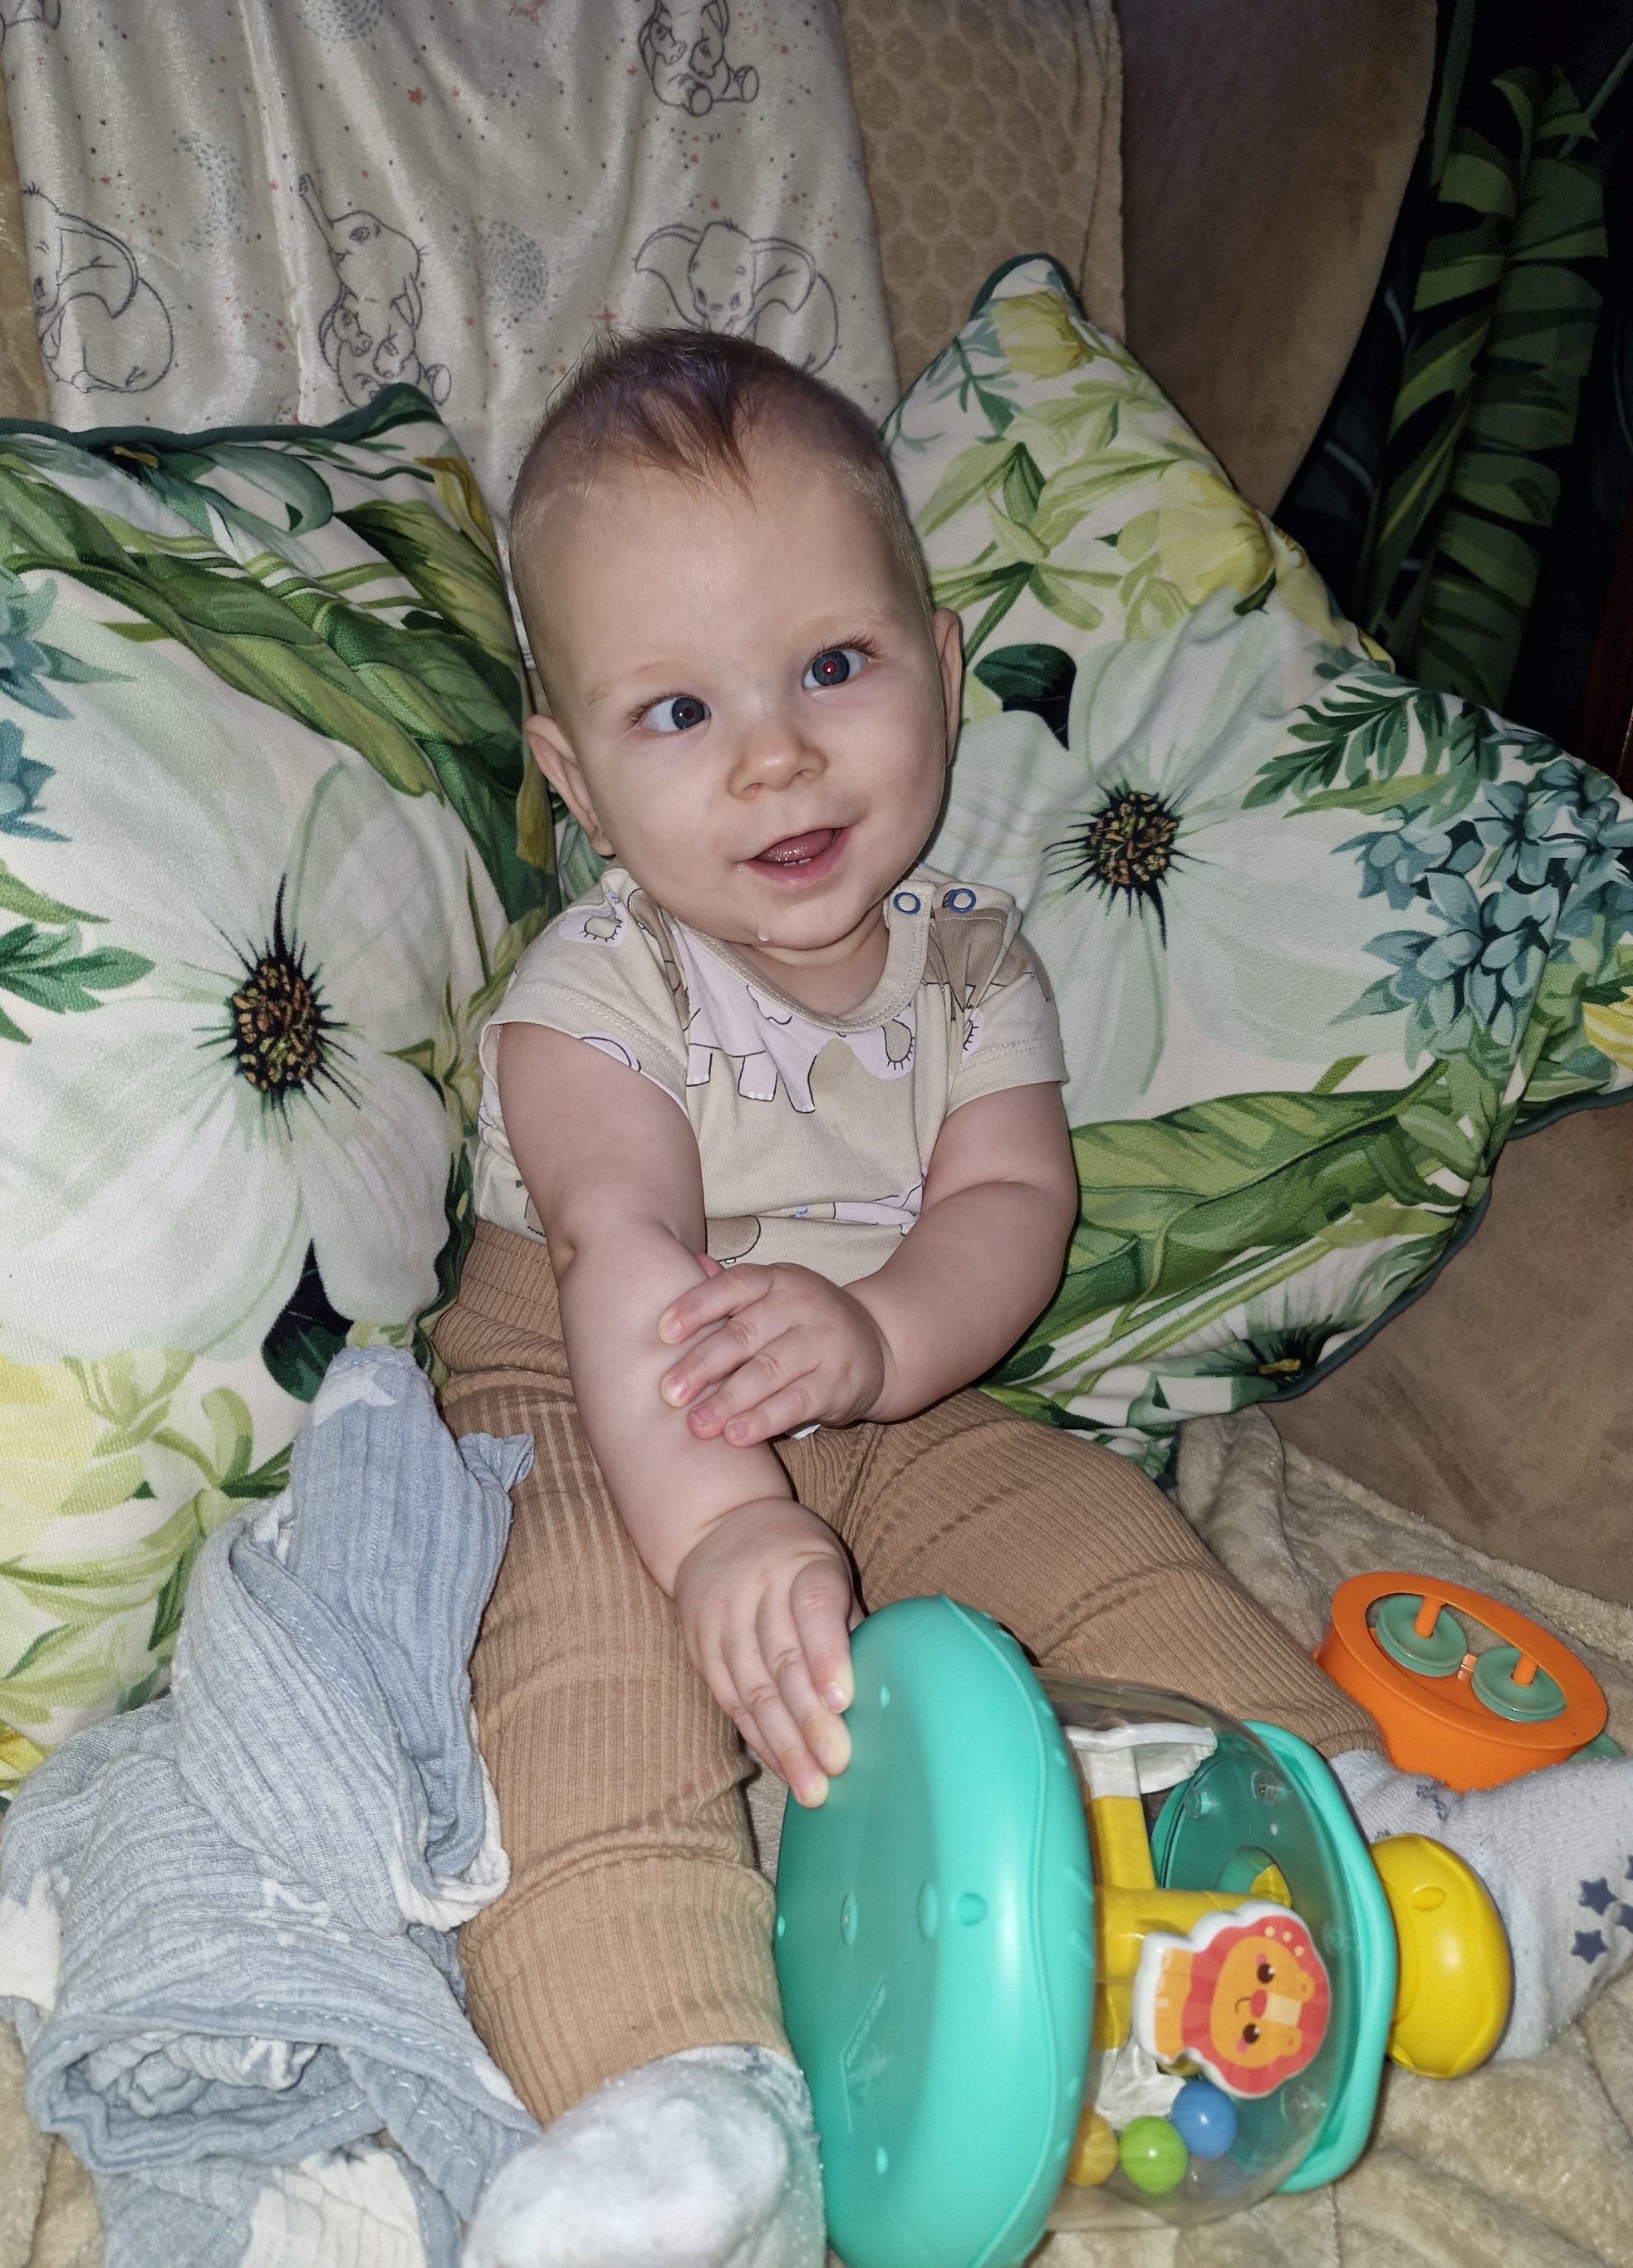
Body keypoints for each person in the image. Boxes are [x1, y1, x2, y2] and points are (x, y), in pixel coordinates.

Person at [434, 329, 1633, 2268]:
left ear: (937, 658)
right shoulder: (596, 985)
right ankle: (678, 2101)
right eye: (676, 710)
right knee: (575, 1682)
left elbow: (1009, 1205)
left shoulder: (973, 962)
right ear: (573, 772)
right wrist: (725, 1526)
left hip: (884, 1382)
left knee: (1098, 1540)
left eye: (833, 667)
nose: (774, 754)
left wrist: (879, 1344)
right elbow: (619, 1248)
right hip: (589, 1401)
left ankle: (1394, 1850)